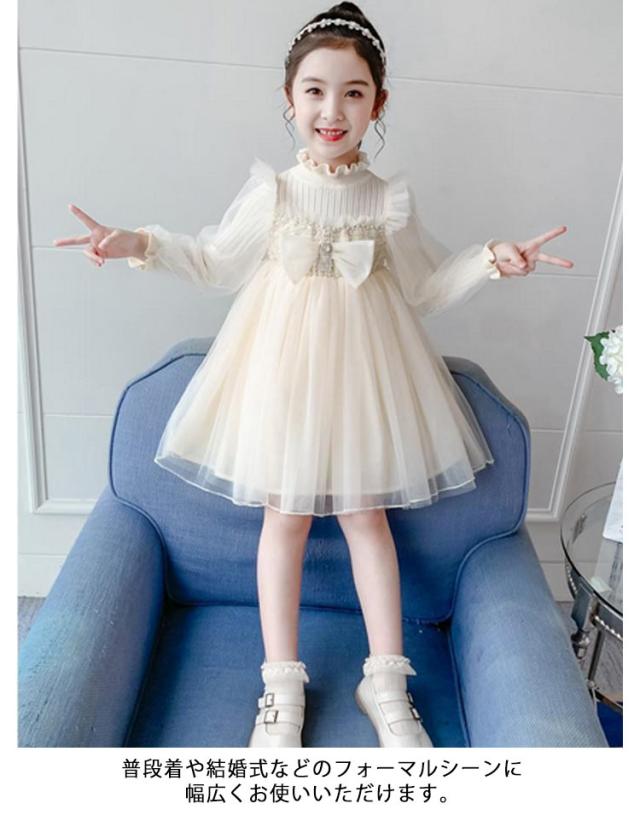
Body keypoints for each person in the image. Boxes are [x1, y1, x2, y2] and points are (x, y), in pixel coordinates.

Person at [52, 2, 574, 749]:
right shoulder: (275, 193)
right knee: (284, 519)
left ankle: (385, 683)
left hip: (366, 382)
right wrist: (135, 242)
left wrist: (493, 259)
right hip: (280, 380)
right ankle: (281, 686)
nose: (334, 110)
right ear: (289, 99)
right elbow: (212, 261)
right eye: (316, 91)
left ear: (379, 104)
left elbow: (426, 286)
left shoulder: (386, 199)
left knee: (367, 517)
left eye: (354, 92)